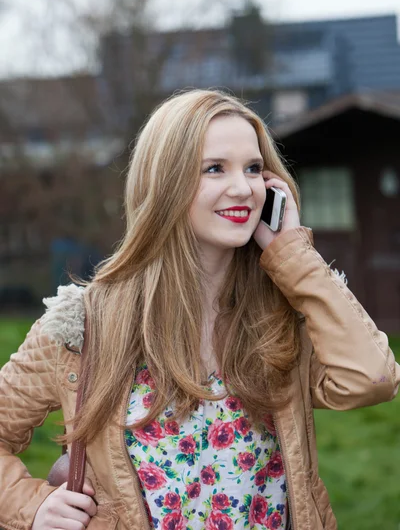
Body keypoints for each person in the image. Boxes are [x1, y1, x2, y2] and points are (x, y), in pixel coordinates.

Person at [0, 89, 398, 530]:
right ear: (166, 182)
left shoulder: (283, 315)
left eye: (252, 168)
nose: (243, 188)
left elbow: (371, 380)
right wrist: (30, 505)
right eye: (215, 169)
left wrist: (292, 255)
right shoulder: (82, 325)